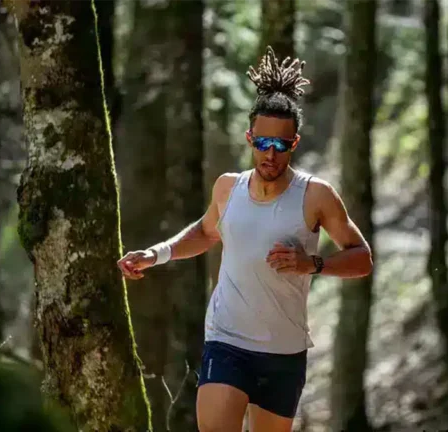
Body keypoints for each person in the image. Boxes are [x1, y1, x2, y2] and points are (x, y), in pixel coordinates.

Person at [117, 46, 373, 432]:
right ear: (250, 138)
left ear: (294, 144)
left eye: (281, 146)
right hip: (227, 342)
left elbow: (362, 258)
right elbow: (205, 232)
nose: (270, 155)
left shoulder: (315, 195)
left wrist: (312, 264)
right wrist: (156, 254)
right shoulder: (227, 188)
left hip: (284, 354)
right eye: (263, 144)